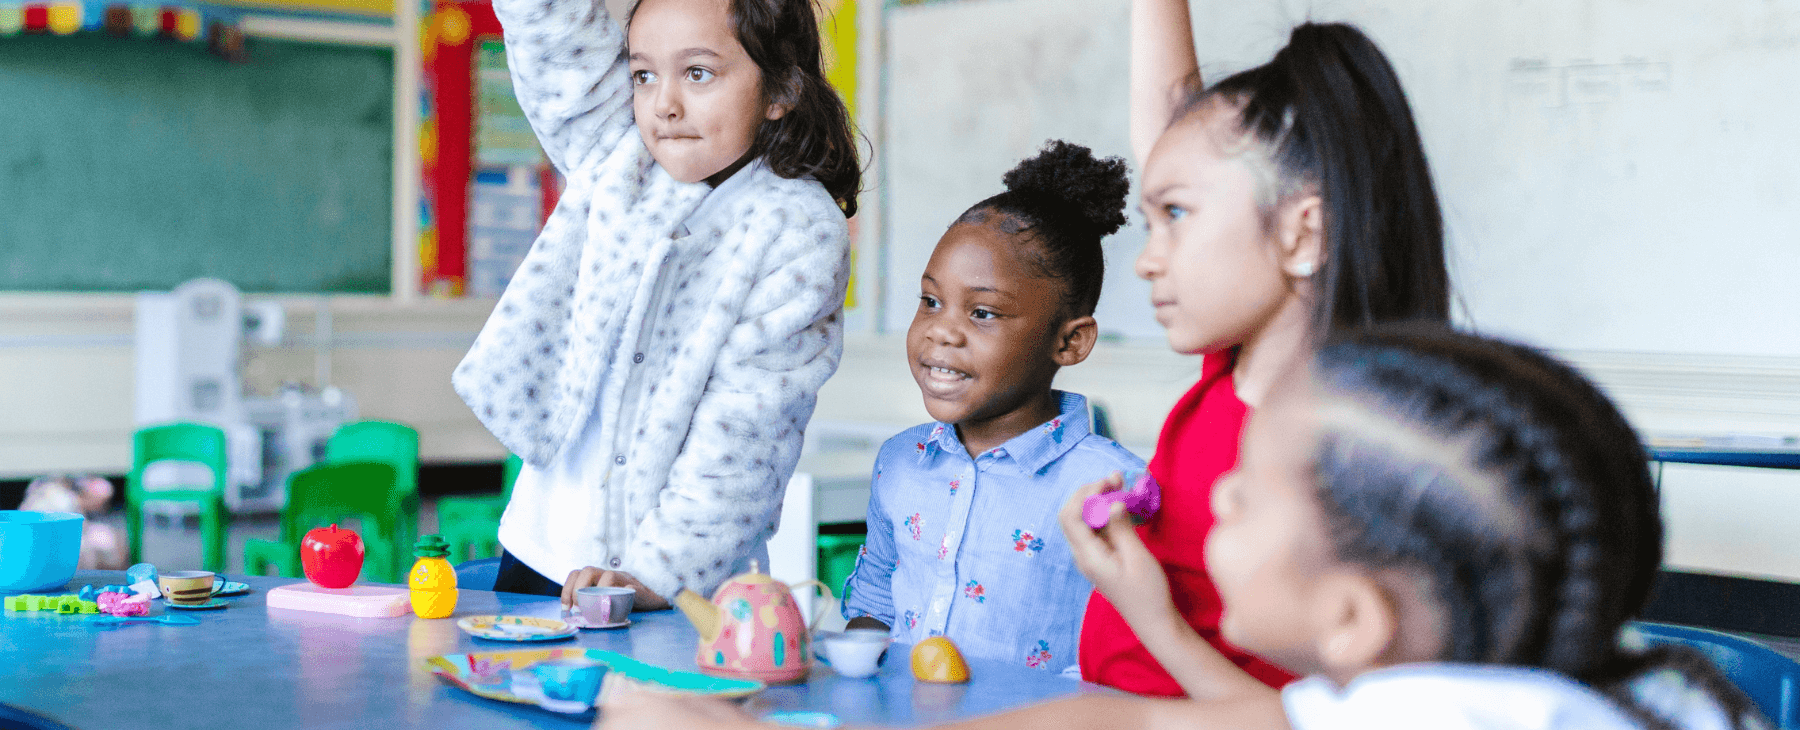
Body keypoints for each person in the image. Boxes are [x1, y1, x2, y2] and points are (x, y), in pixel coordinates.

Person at [599, 326, 1764, 730]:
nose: (1214, 504)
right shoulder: (1527, 690)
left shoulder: (1452, 713)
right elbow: (1130, 714)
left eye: (1247, 495)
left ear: (1357, 616)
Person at [1072, 0, 1452, 698]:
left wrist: (1150, 614)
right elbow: (1174, 136)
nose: (1149, 262)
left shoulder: (1337, 450)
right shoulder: (1231, 371)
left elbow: (1306, 720)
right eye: (1153, 221)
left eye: (1178, 221)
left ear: (1302, 235)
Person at [456, 0, 860, 609]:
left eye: (700, 73)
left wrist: (652, 577)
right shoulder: (621, 156)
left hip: (668, 583)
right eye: (644, 72)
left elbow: (748, 431)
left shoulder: (796, 230)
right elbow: (554, 23)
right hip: (536, 548)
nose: (664, 101)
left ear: (783, 90)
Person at [839, 141, 1145, 669]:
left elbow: (1136, 652)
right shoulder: (900, 462)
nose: (941, 331)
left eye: (982, 312)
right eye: (931, 301)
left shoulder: (1114, 487)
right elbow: (874, 605)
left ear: (1069, 343)